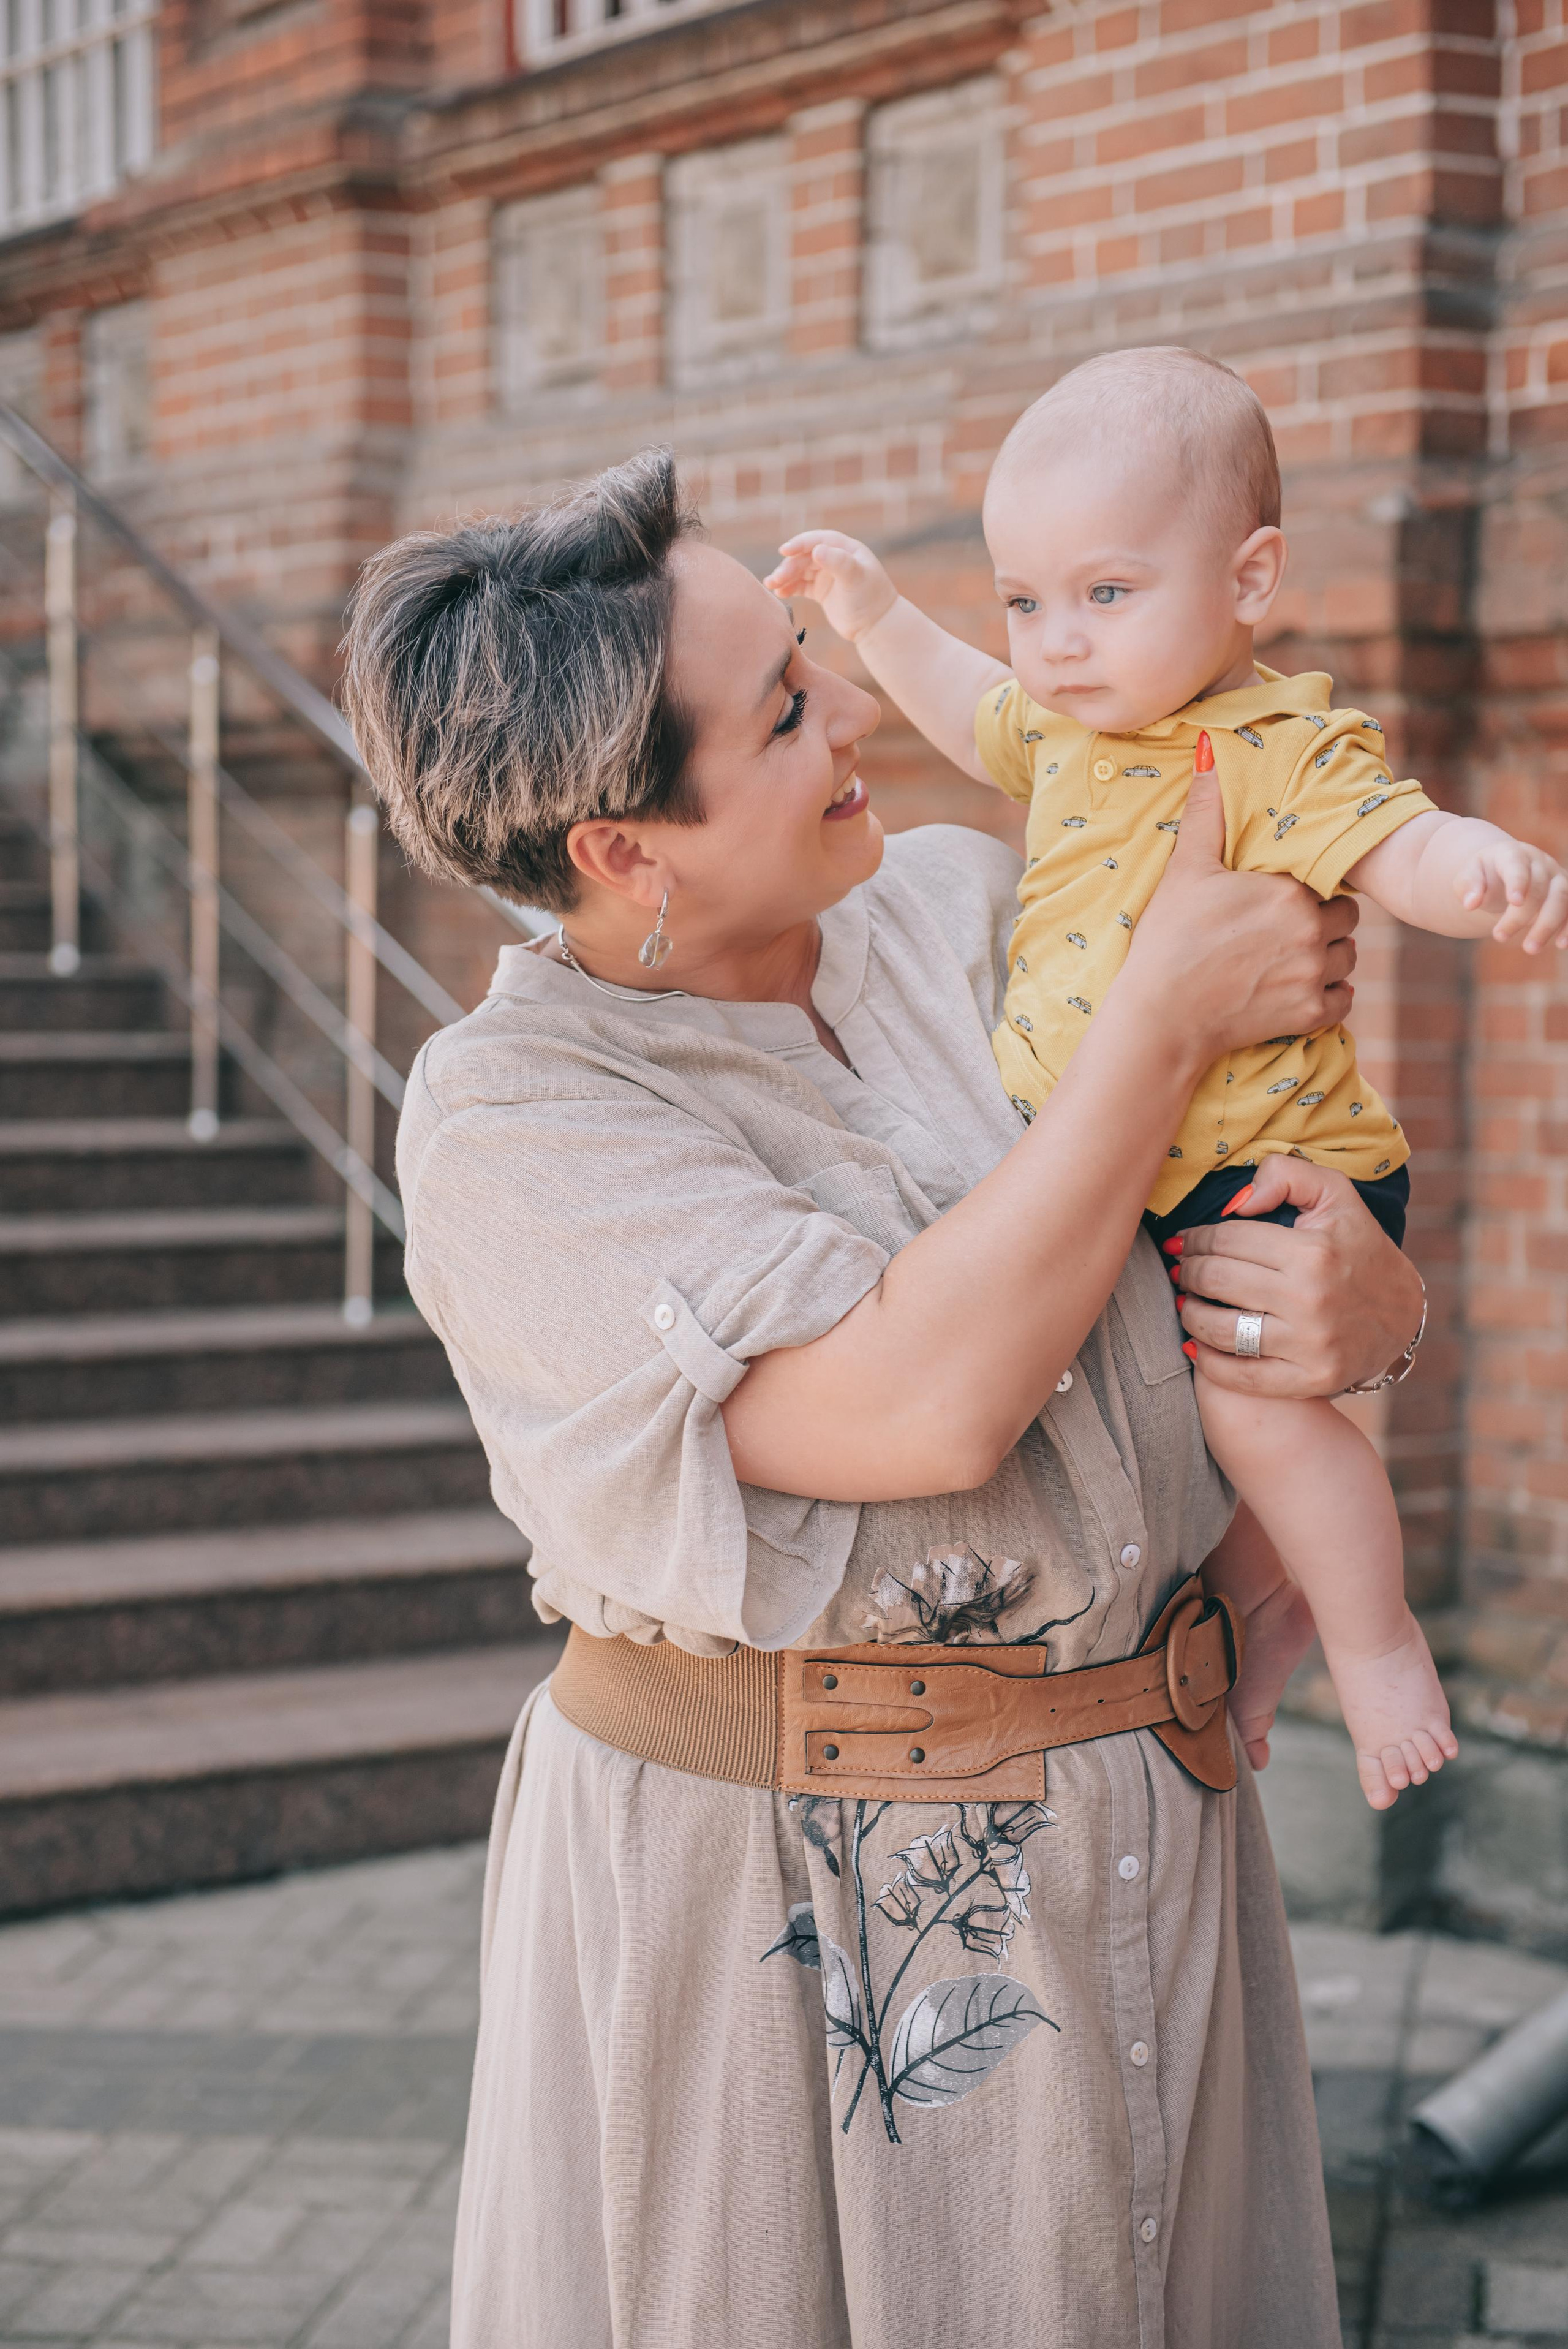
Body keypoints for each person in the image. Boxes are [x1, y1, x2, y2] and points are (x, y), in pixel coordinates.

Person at [341, 448, 1424, 2349]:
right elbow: (922, 1413)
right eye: (782, 708)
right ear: (625, 849)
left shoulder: (961, 905)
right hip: (777, 1906)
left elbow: (1244, 1204)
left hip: (1150, 1829)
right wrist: (1157, 1022)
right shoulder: (513, 1120)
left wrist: (1371, 1300)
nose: (854, 703)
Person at [768, 344, 1568, 1812]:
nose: (1056, 642)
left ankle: (1378, 1644)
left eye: (1106, 593)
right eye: (1025, 601)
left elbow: (1396, 842)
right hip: (1155, 1162)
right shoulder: (1070, 728)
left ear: (1247, 580)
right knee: (1217, 1431)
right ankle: (1270, 1624)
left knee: (1257, 1416)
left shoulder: (1268, 745)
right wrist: (875, 611)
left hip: (1267, 1166)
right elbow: (962, 705)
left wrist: (1488, 872)